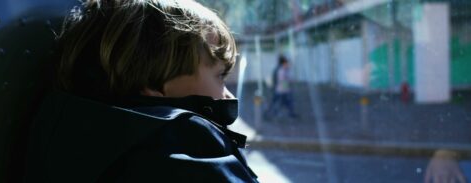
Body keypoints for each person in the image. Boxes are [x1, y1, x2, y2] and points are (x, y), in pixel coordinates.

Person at [23, 0, 258, 182]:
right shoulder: (187, 149)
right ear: (156, 82)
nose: (228, 95)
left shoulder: (62, 132)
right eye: (220, 76)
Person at [264, 55, 298, 120]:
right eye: (287, 63)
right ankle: (270, 114)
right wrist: (288, 86)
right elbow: (283, 81)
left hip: (280, 90)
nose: (288, 64)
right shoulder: (281, 70)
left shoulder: (281, 69)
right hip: (281, 90)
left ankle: (270, 114)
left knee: (284, 103)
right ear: (284, 63)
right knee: (279, 103)